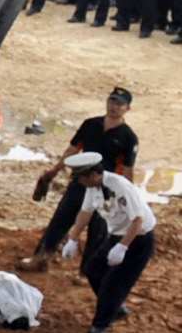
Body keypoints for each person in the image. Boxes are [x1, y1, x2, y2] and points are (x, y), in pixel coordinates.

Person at [25, 87, 138, 271]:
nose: (114, 106)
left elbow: (127, 171)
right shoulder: (90, 124)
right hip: (80, 183)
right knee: (60, 220)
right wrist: (53, 172)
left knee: (98, 233)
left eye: (119, 104)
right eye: (112, 101)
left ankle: (87, 273)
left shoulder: (128, 138)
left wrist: (127, 198)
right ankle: (40, 259)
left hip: (105, 191)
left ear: (127, 109)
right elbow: (72, 150)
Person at [64, 151, 157, 333]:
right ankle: (116, 308)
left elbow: (138, 220)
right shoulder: (93, 188)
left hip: (137, 239)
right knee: (93, 270)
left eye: (80, 177)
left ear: (92, 174)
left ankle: (98, 330)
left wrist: (123, 247)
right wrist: (72, 238)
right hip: (116, 236)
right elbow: (85, 212)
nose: (78, 181)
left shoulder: (120, 186)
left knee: (112, 284)